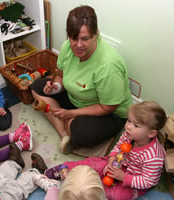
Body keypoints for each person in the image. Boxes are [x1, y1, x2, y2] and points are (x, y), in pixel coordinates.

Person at [30, 5, 132, 153]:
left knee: (81, 132)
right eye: (73, 38)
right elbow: (61, 74)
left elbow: (108, 107)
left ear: (96, 34)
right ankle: (64, 134)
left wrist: (72, 114)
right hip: (76, 98)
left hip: (109, 112)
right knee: (36, 87)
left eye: (85, 39)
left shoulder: (108, 65)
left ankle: (68, 121)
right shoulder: (66, 47)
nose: (78, 45)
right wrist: (56, 87)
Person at [44, 101, 167, 200]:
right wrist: (111, 160)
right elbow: (118, 147)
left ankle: (89, 190)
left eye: (135, 125)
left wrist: (124, 178)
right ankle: (63, 170)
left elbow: (148, 181)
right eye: (129, 121)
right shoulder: (129, 134)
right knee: (94, 163)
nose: (128, 127)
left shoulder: (153, 156)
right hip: (119, 163)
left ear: (151, 133)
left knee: (117, 197)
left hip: (133, 180)